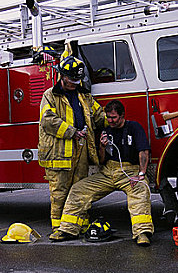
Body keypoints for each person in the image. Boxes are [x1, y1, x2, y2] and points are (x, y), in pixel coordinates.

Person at [55, 99, 154, 246]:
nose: (110, 121)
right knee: (78, 189)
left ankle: (142, 233)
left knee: (140, 192)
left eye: (113, 117)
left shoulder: (133, 127)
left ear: (122, 115)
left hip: (129, 171)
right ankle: (68, 229)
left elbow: (143, 151)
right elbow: (102, 160)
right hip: (108, 172)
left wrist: (141, 174)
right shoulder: (107, 130)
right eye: (108, 117)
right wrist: (102, 146)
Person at [38, 56, 107, 241]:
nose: (74, 84)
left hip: (81, 149)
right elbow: (47, 120)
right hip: (59, 151)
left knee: (79, 189)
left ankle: (79, 225)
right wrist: (72, 132)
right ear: (61, 76)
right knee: (60, 191)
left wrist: (115, 123)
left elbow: (99, 114)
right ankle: (59, 228)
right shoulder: (50, 95)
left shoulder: (83, 95)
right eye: (70, 80)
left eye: (77, 81)